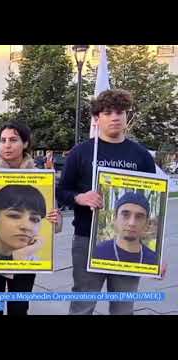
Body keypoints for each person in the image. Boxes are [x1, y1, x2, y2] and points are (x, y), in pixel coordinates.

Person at [57, 89, 160, 315]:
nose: (114, 117)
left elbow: (152, 205)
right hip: (87, 239)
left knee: (123, 307)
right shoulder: (81, 152)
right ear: (97, 118)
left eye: (120, 112)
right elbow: (62, 191)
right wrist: (80, 198)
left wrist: (155, 253)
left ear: (126, 116)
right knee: (83, 304)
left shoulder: (141, 156)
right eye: (107, 112)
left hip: (131, 243)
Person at [0, 120, 61, 315]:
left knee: (19, 307)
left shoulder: (41, 179)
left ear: (25, 144)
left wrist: (56, 220)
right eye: (3, 140)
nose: (7, 145)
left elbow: (53, 223)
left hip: (26, 261)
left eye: (13, 140)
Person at [0, 185, 48, 262]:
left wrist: (20, 258)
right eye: (14, 216)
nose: (26, 226)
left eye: (34, 219)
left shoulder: (34, 259)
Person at [93, 192, 157, 265]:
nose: (132, 223)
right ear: (115, 219)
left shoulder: (154, 260)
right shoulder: (97, 253)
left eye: (139, 217)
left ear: (146, 224)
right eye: (125, 215)